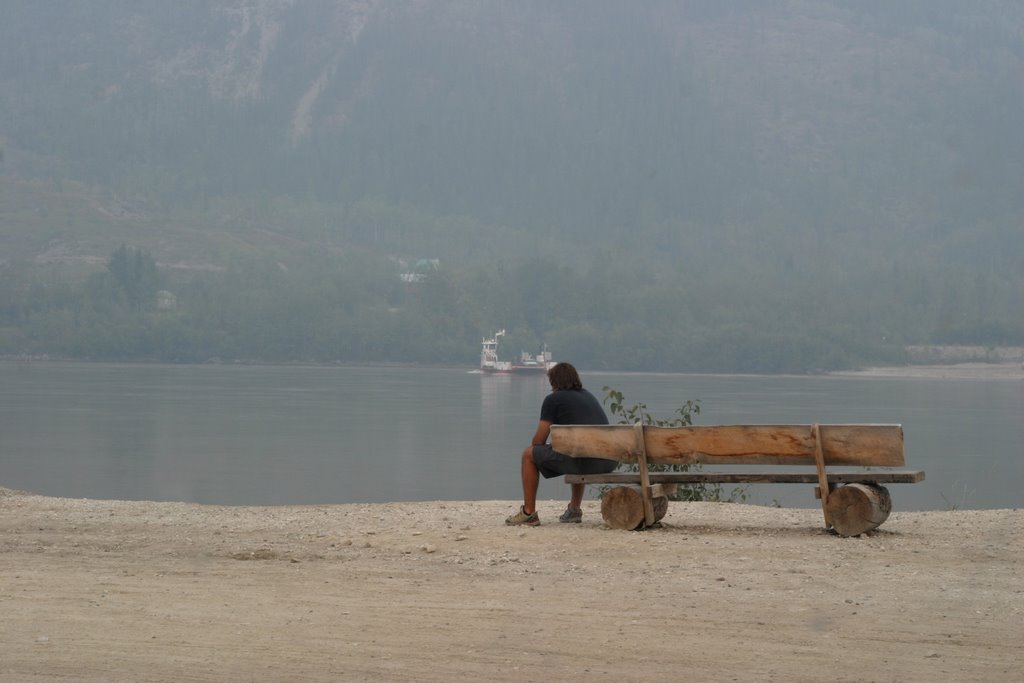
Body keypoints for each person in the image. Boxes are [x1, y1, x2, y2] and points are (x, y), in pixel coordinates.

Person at [505, 362, 617, 526]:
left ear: (554, 382)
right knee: (576, 450)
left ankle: (529, 513)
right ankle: (574, 510)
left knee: (528, 455)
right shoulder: (588, 396)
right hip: (609, 461)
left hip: (586, 462)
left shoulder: (554, 399)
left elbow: (538, 441)